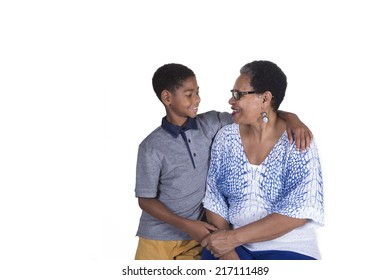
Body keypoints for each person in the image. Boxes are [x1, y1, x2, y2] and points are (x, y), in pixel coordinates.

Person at [134, 63, 313, 260]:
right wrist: (186, 225)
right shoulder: (151, 146)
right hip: (157, 237)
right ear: (167, 98)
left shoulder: (211, 123)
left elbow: (259, 114)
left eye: (198, 92)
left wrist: (293, 118)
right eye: (189, 94)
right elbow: (145, 199)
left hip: (199, 238)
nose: (197, 99)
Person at [200, 60, 324, 260]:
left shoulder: (298, 140)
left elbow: (300, 211)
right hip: (231, 247)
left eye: (238, 94)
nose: (231, 101)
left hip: (290, 248)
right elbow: (215, 199)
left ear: (265, 98)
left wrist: (233, 239)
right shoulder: (226, 137)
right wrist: (228, 250)